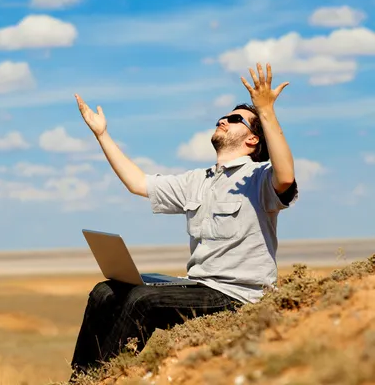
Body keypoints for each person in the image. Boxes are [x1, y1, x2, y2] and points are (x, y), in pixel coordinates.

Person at [69, 63, 299, 378]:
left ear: (253, 141)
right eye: (223, 116)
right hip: (199, 285)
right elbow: (138, 184)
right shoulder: (198, 180)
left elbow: (286, 177)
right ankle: (80, 379)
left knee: (142, 300)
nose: (223, 119)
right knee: (106, 291)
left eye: (235, 119)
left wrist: (266, 111)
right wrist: (102, 135)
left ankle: (109, 377)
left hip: (238, 295)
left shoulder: (260, 177)